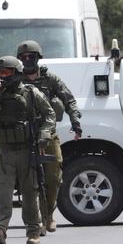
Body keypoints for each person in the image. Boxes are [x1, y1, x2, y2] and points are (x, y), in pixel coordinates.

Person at [0, 56, 55, 244]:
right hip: (5, 151)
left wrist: (44, 133)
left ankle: (33, 231)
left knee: (30, 192)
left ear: (16, 73)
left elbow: (50, 114)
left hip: (27, 150)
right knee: (5, 193)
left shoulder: (31, 93)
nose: (2, 76)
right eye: (0, 73)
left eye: (7, 72)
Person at [16, 40, 82, 234]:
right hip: (24, 136)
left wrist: (75, 122)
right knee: (29, 181)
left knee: (53, 177)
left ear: (38, 58)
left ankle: (49, 215)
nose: (28, 60)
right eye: (24, 58)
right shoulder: (15, 80)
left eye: (31, 57)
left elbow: (69, 100)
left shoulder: (50, 79)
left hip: (48, 134)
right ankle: (36, 221)